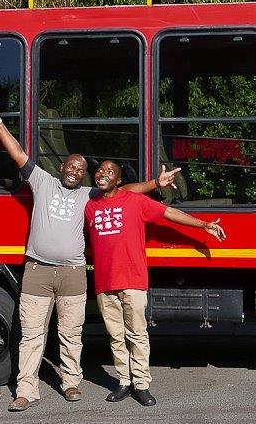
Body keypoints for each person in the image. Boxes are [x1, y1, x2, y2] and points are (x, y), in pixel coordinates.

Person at [0, 103, 179, 412]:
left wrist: (155, 184)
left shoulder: (91, 195)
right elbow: (17, 152)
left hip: (74, 272)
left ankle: (71, 383)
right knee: (31, 335)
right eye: (70, 166)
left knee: (72, 335)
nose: (74, 171)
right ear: (62, 167)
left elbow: (125, 189)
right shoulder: (42, 181)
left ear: (85, 176)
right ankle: (26, 391)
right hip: (38, 270)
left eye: (80, 170)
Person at [85, 159, 226, 407]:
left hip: (132, 280)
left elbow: (169, 213)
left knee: (137, 334)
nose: (103, 173)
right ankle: (124, 382)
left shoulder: (134, 200)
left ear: (119, 181)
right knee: (116, 337)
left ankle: (141, 385)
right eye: (100, 170)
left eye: (110, 171)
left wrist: (203, 225)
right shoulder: (89, 205)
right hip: (104, 283)